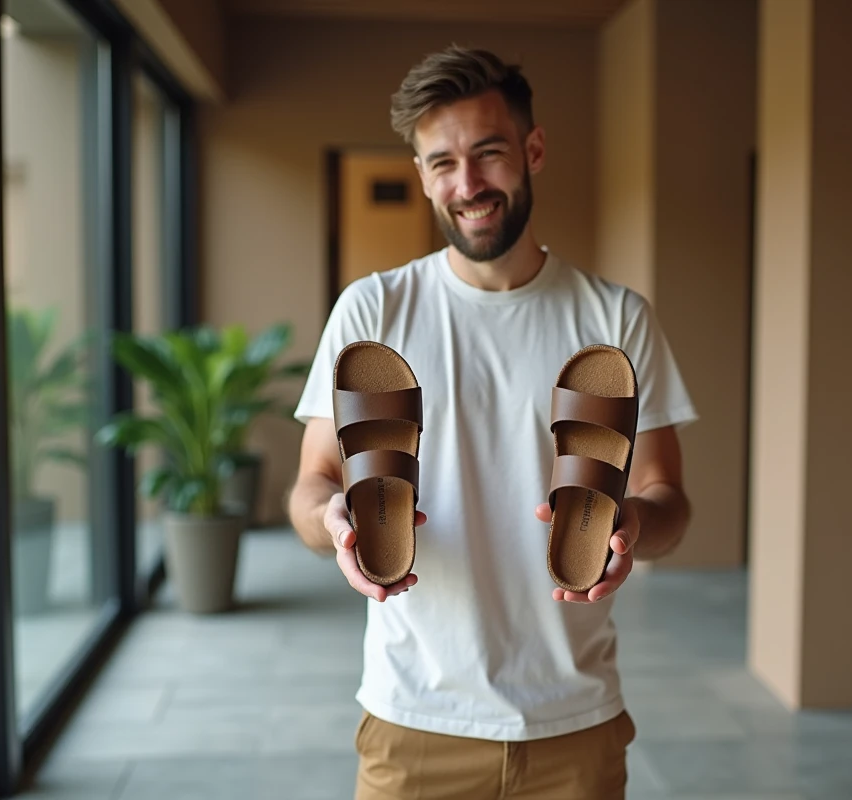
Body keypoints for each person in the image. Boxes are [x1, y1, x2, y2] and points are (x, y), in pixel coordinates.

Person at [289, 44, 696, 800]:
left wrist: (634, 521)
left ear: (532, 150)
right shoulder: (374, 311)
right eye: (441, 162)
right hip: (415, 718)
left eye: (488, 154)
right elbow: (312, 486)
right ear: (420, 175)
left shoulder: (613, 319)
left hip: (574, 719)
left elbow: (669, 500)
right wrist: (336, 521)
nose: (467, 184)